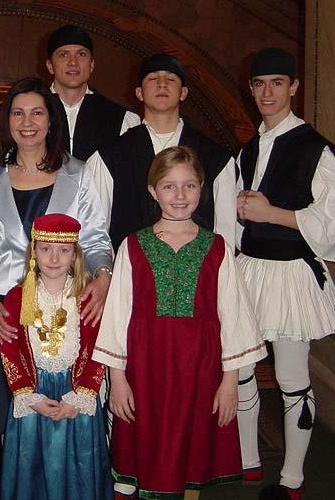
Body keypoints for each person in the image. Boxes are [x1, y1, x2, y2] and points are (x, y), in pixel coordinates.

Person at [0, 77, 113, 497]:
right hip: (9, 311)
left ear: (51, 120)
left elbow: (96, 239)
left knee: (70, 407)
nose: (27, 122)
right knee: (15, 411)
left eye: (36, 112)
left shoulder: (77, 172)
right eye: (17, 113)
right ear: (6, 121)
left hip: (66, 305)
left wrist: (103, 279)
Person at [93, 146, 266, 499]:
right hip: (146, 370)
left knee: (192, 451)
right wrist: (118, 379)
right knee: (151, 447)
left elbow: (233, 316)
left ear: (202, 189)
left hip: (200, 370)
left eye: (189, 185)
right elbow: (117, 317)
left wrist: (230, 382)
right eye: (169, 186)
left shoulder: (217, 247)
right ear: (153, 191)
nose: (180, 195)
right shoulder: (133, 246)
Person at [235, 48, 335, 500]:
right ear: (250, 89)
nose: (267, 92)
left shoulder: (315, 148)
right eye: (259, 84)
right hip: (250, 270)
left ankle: (292, 478)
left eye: (277, 83)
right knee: (240, 369)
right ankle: (247, 461)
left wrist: (271, 213)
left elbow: (333, 223)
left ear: (294, 87)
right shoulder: (248, 148)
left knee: (289, 376)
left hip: (291, 275)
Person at [0, 213, 113, 500]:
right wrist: (27, 396)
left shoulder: (87, 297)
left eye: (63, 250)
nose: (53, 258)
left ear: (75, 255)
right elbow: (9, 349)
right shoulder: (17, 297)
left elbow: (97, 349)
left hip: (75, 393)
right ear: (33, 252)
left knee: (77, 467)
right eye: (45, 249)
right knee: (32, 467)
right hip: (34, 393)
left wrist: (81, 396)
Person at [85, 53, 238, 249]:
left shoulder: (215, 158)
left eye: (171, 79)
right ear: (139, 93)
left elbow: (225, 234)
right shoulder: (110, 157)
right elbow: (97, 233)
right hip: (130, 265)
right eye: (153, 78)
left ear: (183, 92)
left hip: (197, 266)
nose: (162, 84)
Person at [44, 25, 140, 160]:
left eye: (81, 54)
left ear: (92, 65)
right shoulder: (29, 111)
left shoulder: (121, 119)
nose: (73, 62)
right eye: (64, 54)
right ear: (50, 66)